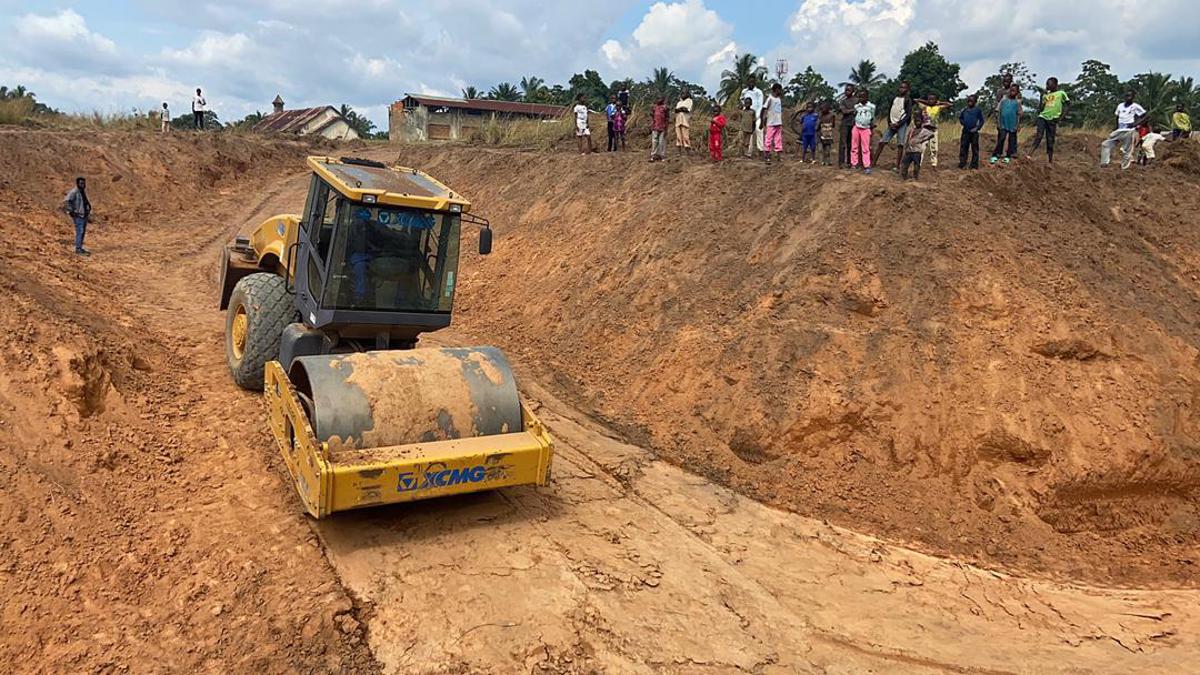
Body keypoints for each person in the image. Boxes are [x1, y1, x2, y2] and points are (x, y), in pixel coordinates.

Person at [1026, 77, 1068, 162]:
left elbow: (1068, 105)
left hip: (1053, 119)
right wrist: (1042, 97)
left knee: (1050, 139)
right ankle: (1029, 154)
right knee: (1039, 136)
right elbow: (1041, 109)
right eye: (1047, 84)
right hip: (1043, 117)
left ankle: (1050, 160)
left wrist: (1061, 117)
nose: (1047, 86)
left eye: (1049, 84)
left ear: (1055, 85)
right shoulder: (1046, 95)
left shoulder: (1061, 93)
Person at [874, 81, 913, 171]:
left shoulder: (908, 100)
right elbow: (890, 111)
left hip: (901, 125)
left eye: (904, 88)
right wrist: (889, 123)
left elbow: (908, 115)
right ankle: (873, 163)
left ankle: (897, 166)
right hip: (892, 124)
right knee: (882, 142)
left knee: (900, 144)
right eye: (900, 87)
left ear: (907, 89)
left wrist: (899, 123)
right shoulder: (894, 98)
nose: (902, 89)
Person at [918, 93, 952, 168]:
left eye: (933, 99)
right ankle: (919, 163)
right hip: (925, 129)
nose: (931, 101)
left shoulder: (938, 107)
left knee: (934, 148)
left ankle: (933, 164)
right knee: (922, 147)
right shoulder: (924, 107)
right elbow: (916, 100)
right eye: (929, 99)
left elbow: (950, 104)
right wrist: (926, 102)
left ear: (936, 100)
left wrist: (939, 103)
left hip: (934, 130)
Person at [990, 85, 1021, 164]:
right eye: (1011, 90)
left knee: (1011, 140)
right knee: (1001, 138)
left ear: (1017, 92)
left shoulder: (1017, 102)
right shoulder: (1003, 100)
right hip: (1003, 123)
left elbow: (1019, 114)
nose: (1011, 92)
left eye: (1014, 91)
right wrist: (998, 122)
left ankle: (1008, 156)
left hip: (1012, 124)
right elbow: (998, 111)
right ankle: (996, 154)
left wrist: (1017, 125)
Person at [900, 106, 934, 180]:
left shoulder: (924, 130)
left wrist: (923, 140)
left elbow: (931, 134)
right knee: (905, 164)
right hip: (909, 150)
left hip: (917, 151)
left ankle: (915, 177)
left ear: (922, 121)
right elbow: (908, 138)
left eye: (918, 121)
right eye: (916, 121)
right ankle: (904, 177)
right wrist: (906, 146)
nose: (917, 122)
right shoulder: (912, 130)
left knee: (916, 165)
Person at [63, 176, 93, 256]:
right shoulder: (74, 191)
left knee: (82, 232)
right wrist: (71, 211)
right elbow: (67, 200)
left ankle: (80, 247)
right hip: (78, 215)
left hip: (83, 215)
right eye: (81, 183)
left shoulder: (82, 192)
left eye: (83, 183)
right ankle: (78, 249)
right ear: (77, 184)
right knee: (80, 231)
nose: (82, 185)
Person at [851, 89, 875, 173]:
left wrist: (871, 127)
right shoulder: (856, 106)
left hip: (866, 128)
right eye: (859, 97)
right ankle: (854, 163)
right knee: (854, 147)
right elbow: (854, 114)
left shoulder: (871, 106)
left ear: (867, 97)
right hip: (856, 127)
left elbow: (872, 117)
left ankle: (867, 165)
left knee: (865, 148)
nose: (861, 98)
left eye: (863, 96)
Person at [958, 94, 984, 169]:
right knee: (963, 148)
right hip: (965, 131)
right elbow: (961, 118)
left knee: (975, 148)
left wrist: (977, 128)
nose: (970, 102)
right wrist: (964, 123)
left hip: (974, 132)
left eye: (971, 101)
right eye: (968, 101)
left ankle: (974, 165)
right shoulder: (964, 110)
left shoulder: (978, 110)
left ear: (975, 102)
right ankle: (962, 163)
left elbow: (982, 121)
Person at [761, 83, 784, 164]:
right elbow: (763, 109)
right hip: (771, 123)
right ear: (776, 89)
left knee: (778, 139)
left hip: (778, 122)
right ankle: (767, 156)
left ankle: (779, 156)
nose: (780, 91)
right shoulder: (770, 98)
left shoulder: (779, 99)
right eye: (779, 89)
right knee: (768, 139)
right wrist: (762, 120)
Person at [837, 84, 857, 167]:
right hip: (845, 123)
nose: (846, 92)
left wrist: (850, 111)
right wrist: (853, 110)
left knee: (851, 144)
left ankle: (850, 161)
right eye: (845, 90)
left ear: (853, 91)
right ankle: (841, 162)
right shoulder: (843, 101)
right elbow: (844, 111)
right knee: (842, 143)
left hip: (854, 123)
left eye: (848, 90)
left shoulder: (857, 100)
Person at [744, 75, 765, 154]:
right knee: (749, 133)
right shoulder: (744, 92)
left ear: (755, 82)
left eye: (752, 82)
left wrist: (756, 117)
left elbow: (760, 105)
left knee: (759, 130)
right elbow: (742, 101)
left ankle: (760, 149)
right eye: (749, 82)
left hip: (757, 115)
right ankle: (749, 151)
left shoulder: (758, 92)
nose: (751, 83)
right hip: (747, 115)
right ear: (747, 82)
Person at [675, 89, 693, 154]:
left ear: (687, 94)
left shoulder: (689, 101)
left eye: (684, 93)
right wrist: (681, 109)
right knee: (678, 137)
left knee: (685, 136)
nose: (682, 94)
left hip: (685, 121)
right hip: (678, 121)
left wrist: (681, 109)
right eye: (682, 93)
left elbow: (687, 110)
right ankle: (679, 151)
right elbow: (676, 110)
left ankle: (688, 151)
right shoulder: (679, 102)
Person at [650, 97, 668, 161]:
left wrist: (666, 128)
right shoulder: (654, 107)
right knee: (654, 142)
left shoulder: (665, 108)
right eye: (657, 99)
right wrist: (652, 124)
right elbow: (652, 116)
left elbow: (667, 118)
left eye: (660, 99)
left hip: (662, 127)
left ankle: (662, 156)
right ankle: (653, 155)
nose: (658, 100)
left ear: (663, 100)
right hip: (655, 127)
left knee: (662, 142)